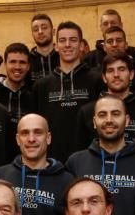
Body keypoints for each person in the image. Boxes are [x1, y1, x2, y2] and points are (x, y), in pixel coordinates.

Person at [65, 96, 135, 215]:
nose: (109, 120)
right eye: (102, 115)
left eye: (116, 114)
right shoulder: (76, 162)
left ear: (127, 120)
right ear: (94, 122)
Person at [0, 114, 72, 215]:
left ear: (48, 138)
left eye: (38, 133)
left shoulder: (67, 181)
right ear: (18, 140)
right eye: (25, 133)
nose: (31, 139)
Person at [32, 21, 102, 162]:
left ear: (82, 45)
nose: (68, 45)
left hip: (90, 160)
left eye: (73, 40)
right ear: (56, 46)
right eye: (62, 40)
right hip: (52, 163)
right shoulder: (41, 86)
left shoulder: (97, 80)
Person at [75, 53, 135, 148]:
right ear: (104, 77)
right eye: (110, 71)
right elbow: (82, 153)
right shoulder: (87, 112)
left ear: (131, 74)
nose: (116, 75)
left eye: (121, 69)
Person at [0, 42, 35, 129]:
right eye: (13, 62)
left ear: (28, 66)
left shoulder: (34, 94)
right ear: (5, 64)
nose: (17, 67)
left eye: (22, 62)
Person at [29, 13, 59, 82]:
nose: (40, 32)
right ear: (32, 34)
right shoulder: (27, 60)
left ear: (53, 31)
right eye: (36, 29)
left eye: (44, 28)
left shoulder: (63, 56)